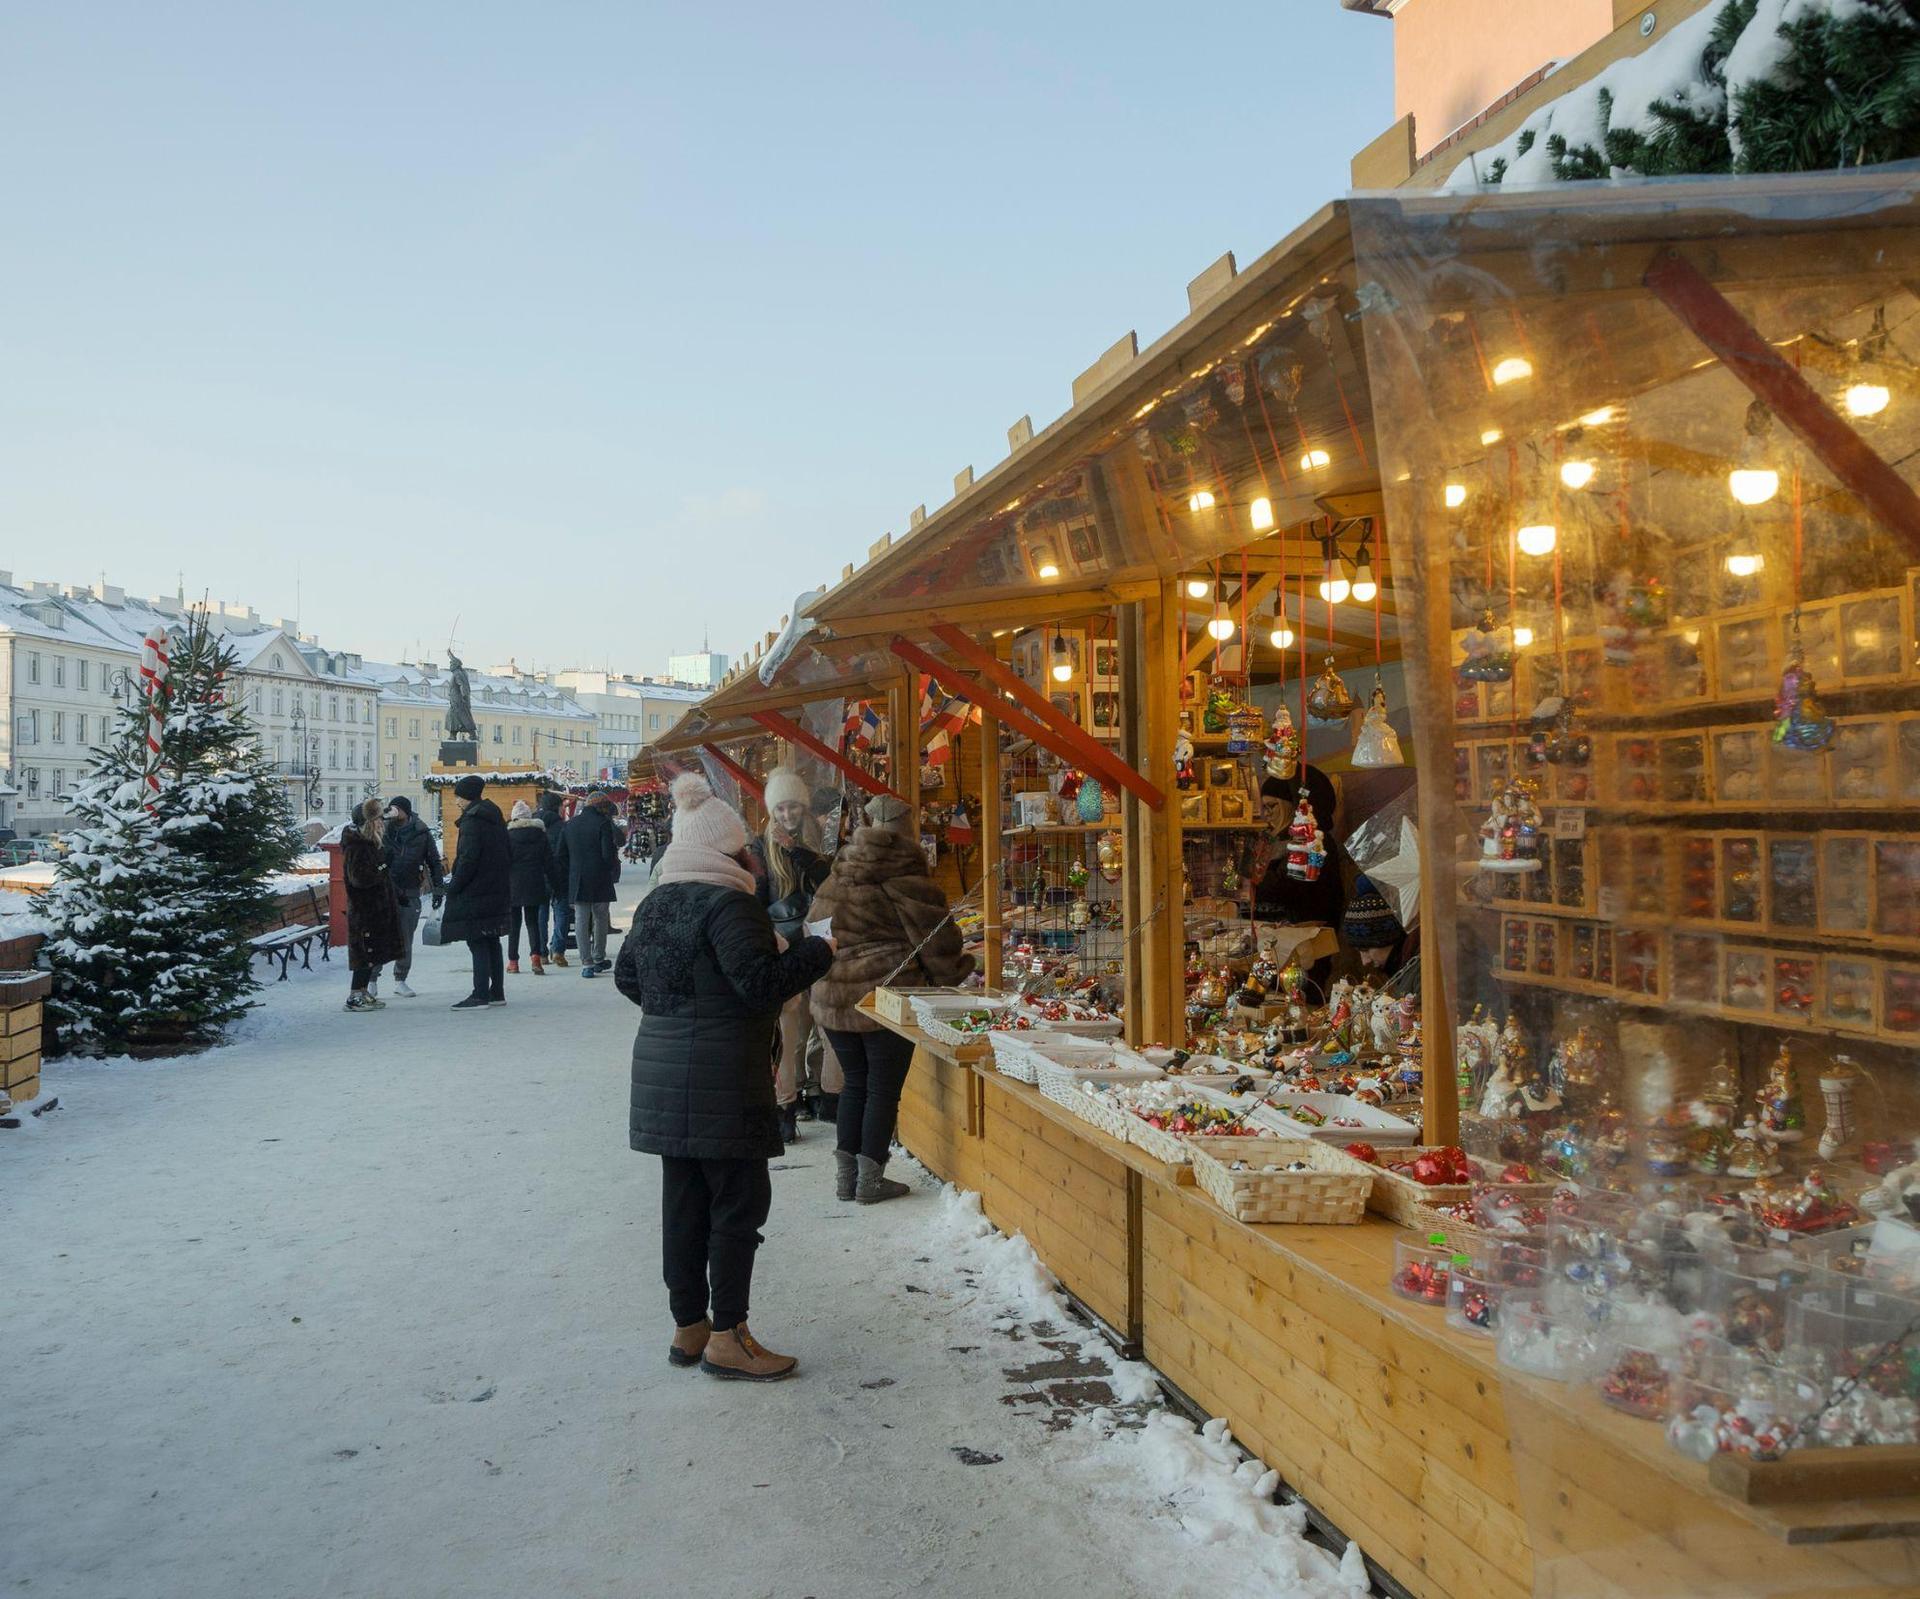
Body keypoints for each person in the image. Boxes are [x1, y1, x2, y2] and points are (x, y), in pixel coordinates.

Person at [614, 772, 834, 1381]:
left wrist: (680, 1013)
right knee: (737, 1206)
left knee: (683, 1204)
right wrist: (817, 953)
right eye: (741, 847)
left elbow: (627, 978)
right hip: (723, 1079)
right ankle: (729, 1337)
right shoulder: (728, 903)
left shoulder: (659, 901)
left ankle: (689, 1326)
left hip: (661, 1075)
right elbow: (760, 985)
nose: (750, 856)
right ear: (722, 850)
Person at [810, 793, 973, 1204]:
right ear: (907, 830)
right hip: (886, 997)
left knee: (855, 1085)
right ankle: (870, 1180)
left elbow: (815, 930)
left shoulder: (837, 874)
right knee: (882, 1089)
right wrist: (956, 975)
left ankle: (846, 1178)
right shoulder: (908, 877)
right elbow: (937, 944)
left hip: (834, 996)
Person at [750, 768, 836, 1145]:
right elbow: (758, 896)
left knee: (821, 1018)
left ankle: (816, 1087)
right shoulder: (759, 846)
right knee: (793, 1023)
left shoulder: (819, 838)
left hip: (821, 938)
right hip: (785, 943)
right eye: (780, 809)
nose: (787, 816)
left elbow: (828, 881)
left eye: (793, 808)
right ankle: (793, 1094)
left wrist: (798, 852)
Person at [441, 774, 512, 1010]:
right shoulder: (494, 816)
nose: (457, 802)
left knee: (477, 940)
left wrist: (455, 886)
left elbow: (467, 859)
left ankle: (480, 994)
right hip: (496, 887)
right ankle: (497, 992)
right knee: (491, 939)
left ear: (468, 797)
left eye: (459, 797)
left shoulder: (472, 821)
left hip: (476, 891)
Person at [341, 797, 404, 1012]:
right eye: (377, 819)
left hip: (375, 909)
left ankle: (363, 990)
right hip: (364, 910)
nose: (381, 823)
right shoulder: (358, 846)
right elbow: (360, 878)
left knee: (372, 953)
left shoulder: (371, 843)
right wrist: (384, 866)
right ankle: (354, 995)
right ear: (369, 822)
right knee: (364, 954)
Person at [381, 796, 444, 997]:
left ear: (406, 811)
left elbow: (434, 861)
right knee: (380, 937)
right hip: (385, 891)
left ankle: (401, 979)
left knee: (406, 938)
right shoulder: (383, 829)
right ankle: (371, 980)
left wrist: (438, 889)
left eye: (397, 809)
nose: (393, 812)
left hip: (409, 890)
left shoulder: (421, 832)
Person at [558, 788, 621, 977]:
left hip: (577, 878)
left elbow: (561, 854)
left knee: (581, 919)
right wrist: (610, 869)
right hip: (600, 878)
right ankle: (599, 957)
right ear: (602, 807)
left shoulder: (570, 825)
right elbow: (608, 854)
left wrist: (572, 871)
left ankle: (586, 963)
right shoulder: (603, 824)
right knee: (600, 918)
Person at [506, 799, 553, 975]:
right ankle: (536, 958)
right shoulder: (540, 835)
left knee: (514, 925)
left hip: (514, 884)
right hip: (535, 882)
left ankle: (513, 962)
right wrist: (556, 885)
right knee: (533, 922)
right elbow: (549, 862)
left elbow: (502, 862)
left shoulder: (508, 836)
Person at [536, 791, 572, 967]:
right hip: (561, 875)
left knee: (540, 914)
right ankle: (558, 950)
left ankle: (541, 953)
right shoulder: (563, 827)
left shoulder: (533, 825)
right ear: (557, 807)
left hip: (538, 876)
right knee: (562, 912)